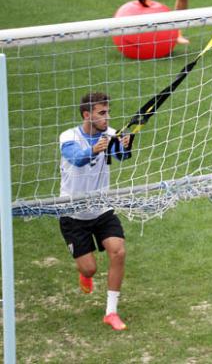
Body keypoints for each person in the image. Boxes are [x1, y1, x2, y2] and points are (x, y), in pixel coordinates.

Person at [59, 92, 132, 330]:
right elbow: (76, 159)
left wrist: (124, 145)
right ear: (87, 115)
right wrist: (94, 149)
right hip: (73, 213)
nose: (107, 118)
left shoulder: (110, 135)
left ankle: (111, 312)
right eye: (102, 113)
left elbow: (120, 157)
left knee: (118, 252)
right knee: (90, 268)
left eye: (108, 112)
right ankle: (85, 274)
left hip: (102, 209)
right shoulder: (68, 137)